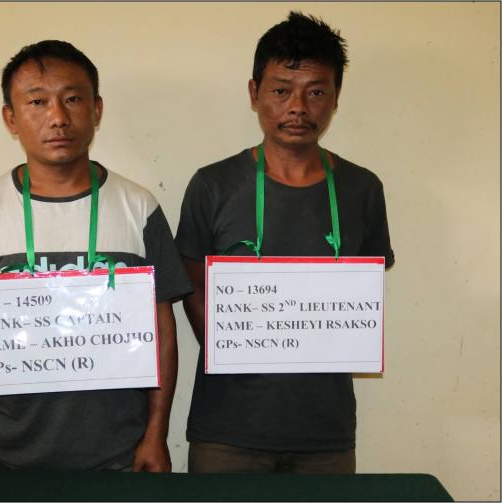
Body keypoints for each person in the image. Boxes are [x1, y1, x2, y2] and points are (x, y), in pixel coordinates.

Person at [0, 40, 191, 471]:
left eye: (72, 99)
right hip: (6, 453)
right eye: (37, 101)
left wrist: (156, 436)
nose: (58, 117)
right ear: (10, 118)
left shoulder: (138, 206)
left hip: (119, 453)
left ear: (97, 109)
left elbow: (162, 328)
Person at [175, 12, 394, 473]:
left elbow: (363, 293)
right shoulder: (212, 185)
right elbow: (192, 285)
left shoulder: (362, 189)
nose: (298, 107)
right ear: (254, 93)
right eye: (281, 91)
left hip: (326, 432)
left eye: (316, 92)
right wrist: (237, 344)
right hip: (227, 429)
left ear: (336, 97)